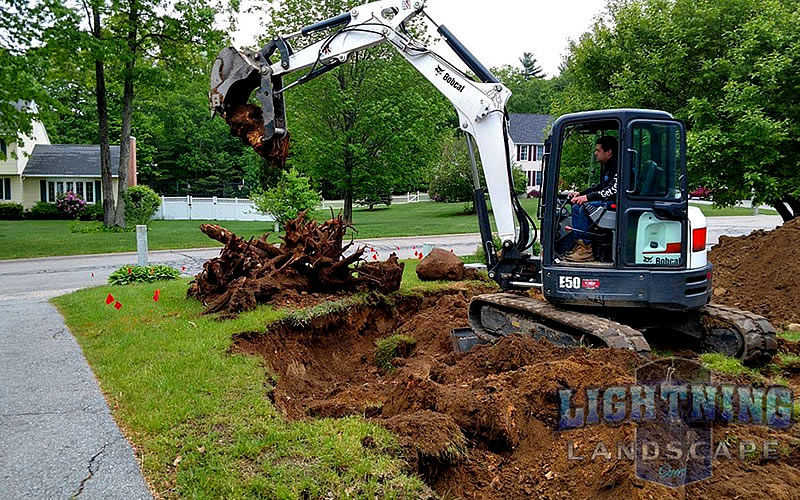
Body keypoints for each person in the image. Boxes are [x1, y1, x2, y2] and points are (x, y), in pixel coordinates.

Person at [562, 136, 618, 262]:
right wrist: (580, 194)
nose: (595, 153)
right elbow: (600, 187)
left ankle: (586, 249)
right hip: (607, 201)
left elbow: (612, 190)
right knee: (576, 206)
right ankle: (580, 245)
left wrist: (587, 198)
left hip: (615, 204)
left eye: (598, 150)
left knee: (583, 208)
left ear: (608, 152)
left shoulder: (619, 167)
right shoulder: (608, 166)